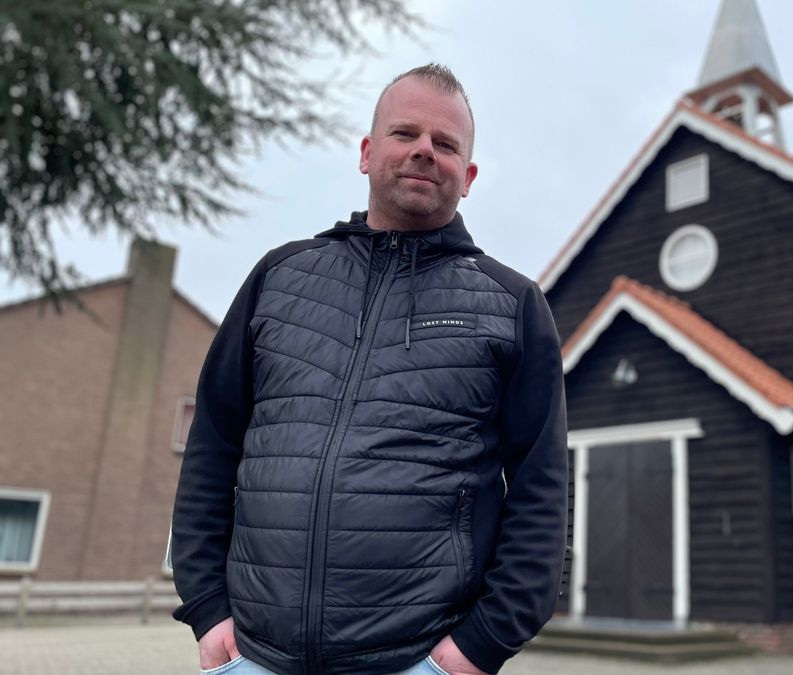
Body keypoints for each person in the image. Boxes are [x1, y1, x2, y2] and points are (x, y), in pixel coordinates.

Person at [170, 64, 568, 675]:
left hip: (419, 662)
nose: (424, 151)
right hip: (251, 655)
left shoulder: (512, 305)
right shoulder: (278, 278)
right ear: (366, 152)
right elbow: (213, 446)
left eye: (446, 144)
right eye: (405, 133)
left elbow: (542, 492)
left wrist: (478, 648)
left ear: (468, 177)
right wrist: (206, 607)